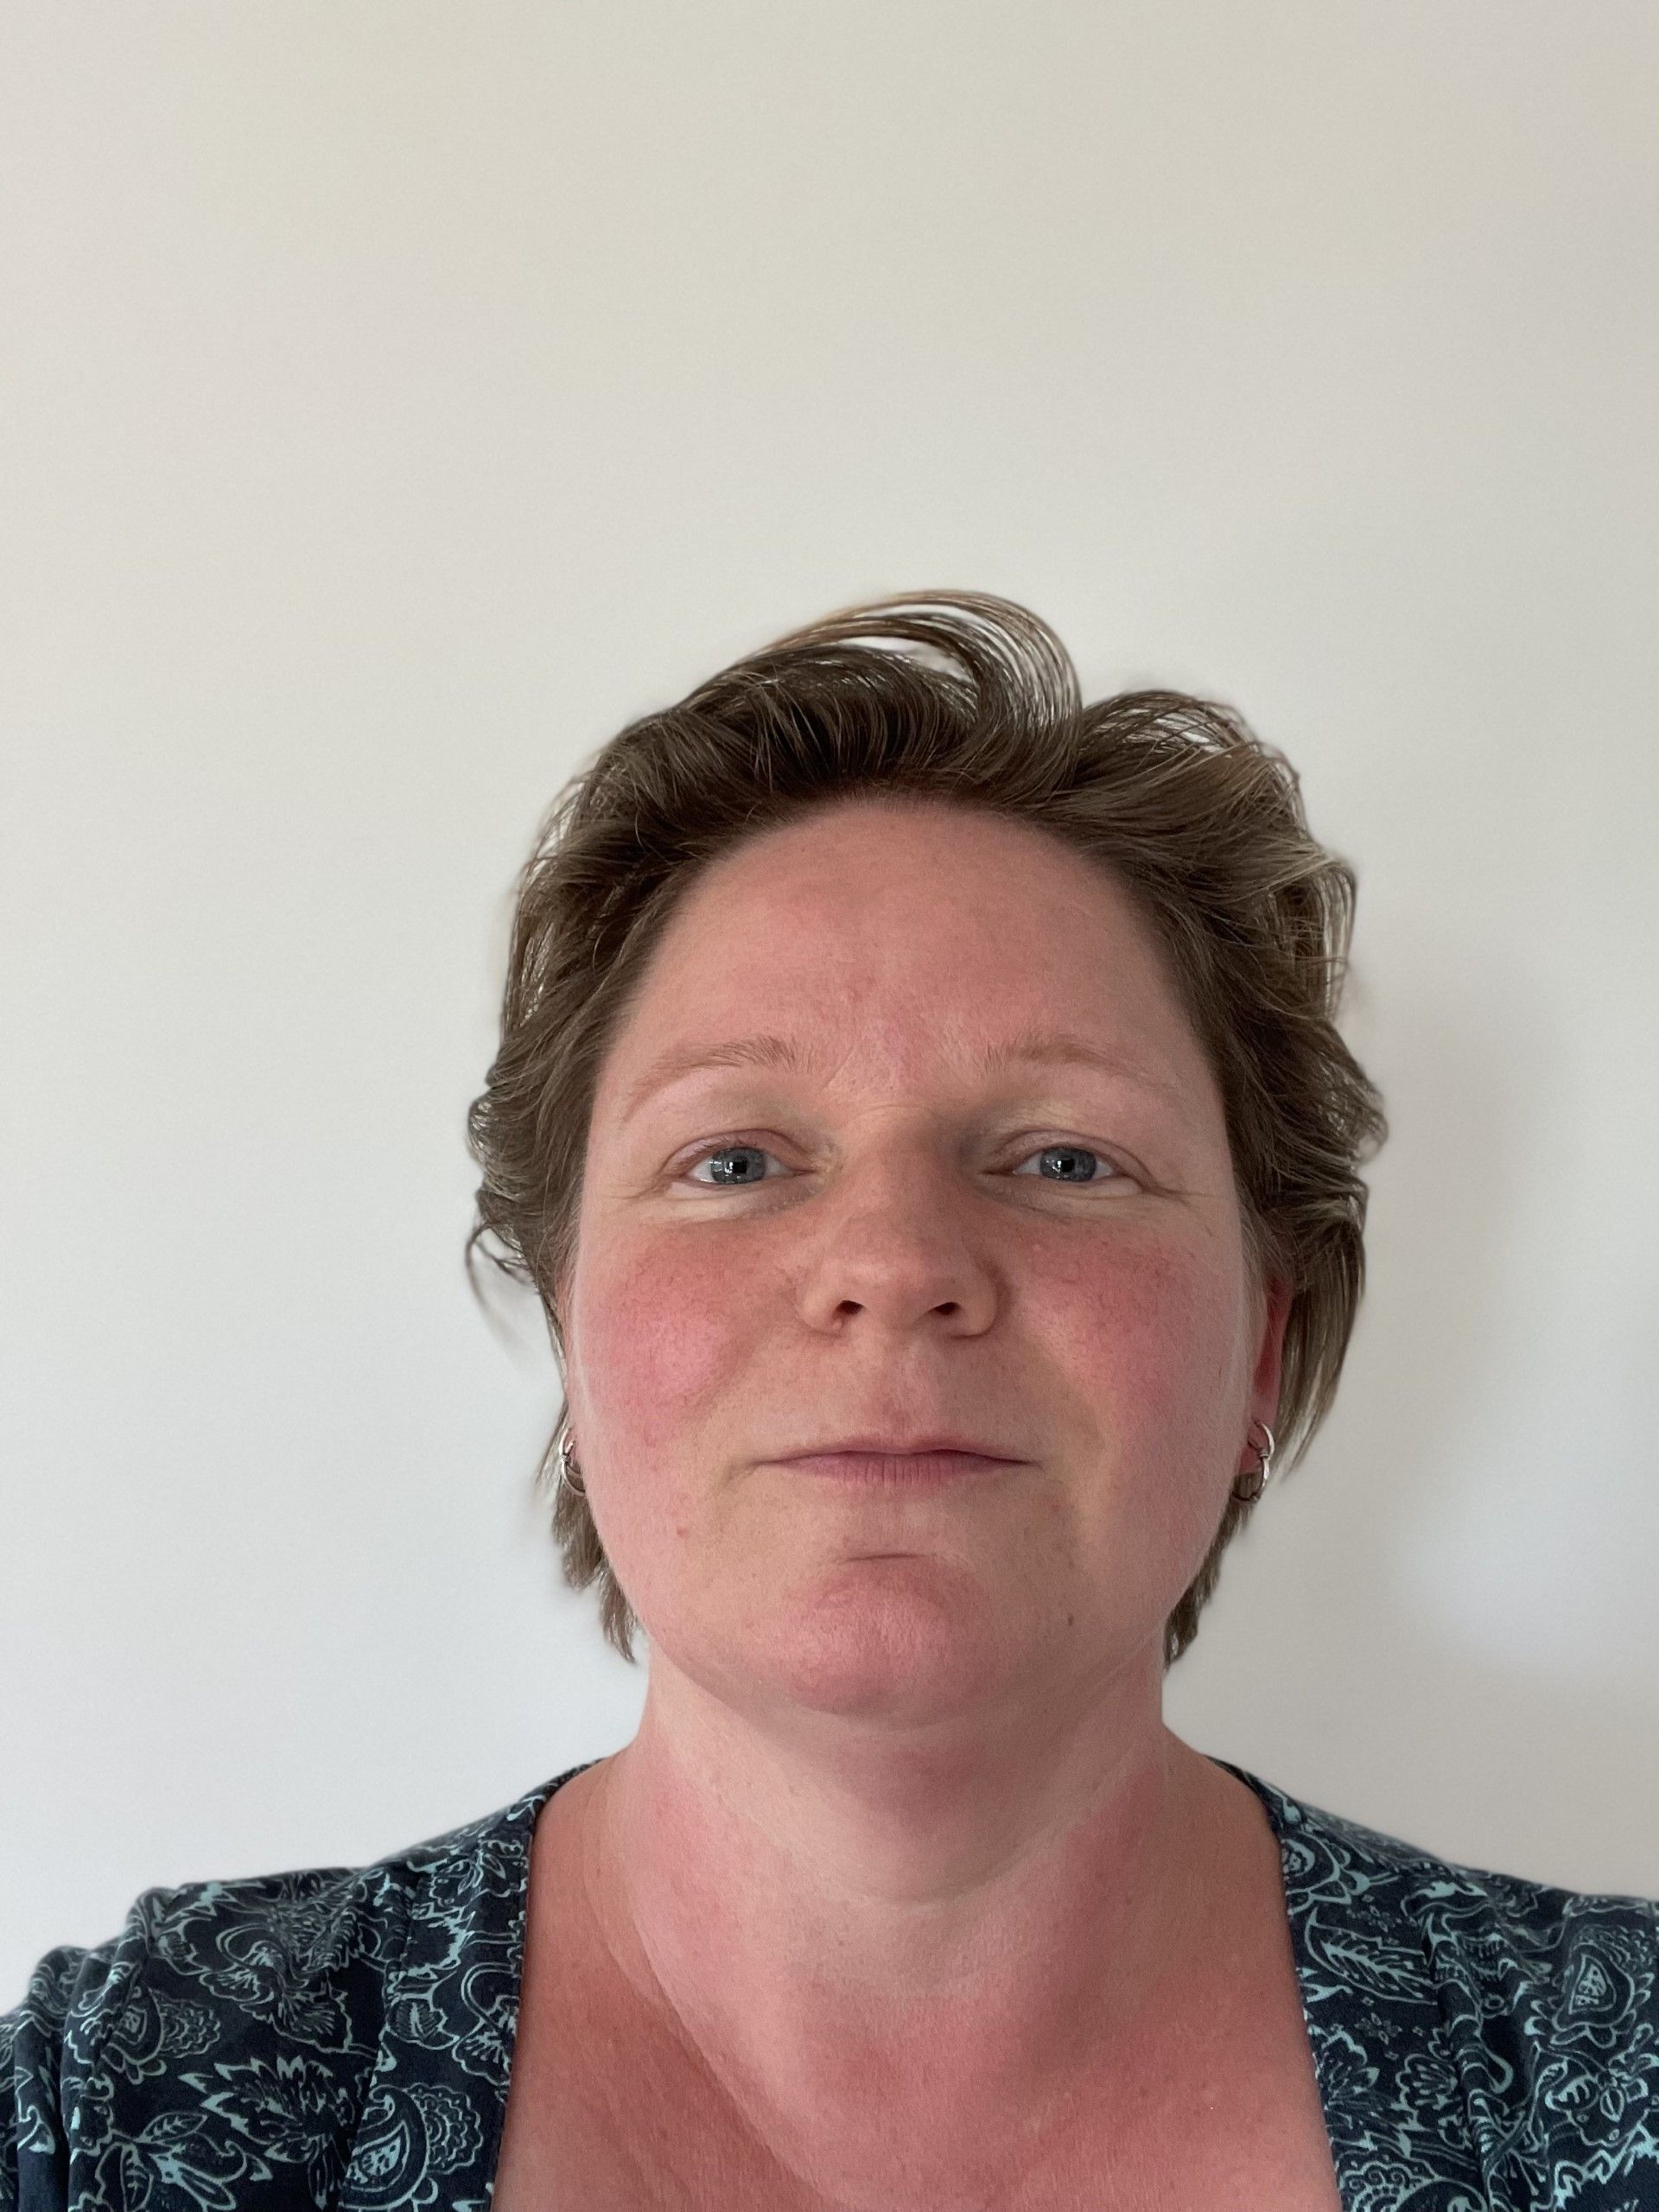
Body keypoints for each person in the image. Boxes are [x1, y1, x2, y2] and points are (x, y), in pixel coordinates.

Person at [4, 593, 1656, 2212]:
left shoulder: (1616, 2078)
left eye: (1066, 1158)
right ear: (573, 1330)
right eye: (734, 1160)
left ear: (1264, 1350)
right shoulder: (127, 2116)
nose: (893, 1261)